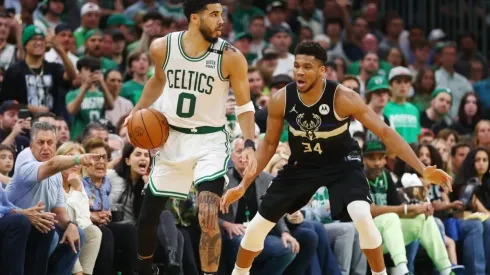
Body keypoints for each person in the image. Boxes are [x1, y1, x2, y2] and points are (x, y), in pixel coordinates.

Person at [220, 41, 452, 275]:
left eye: (308, 67)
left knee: (361, 215)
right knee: (258, 226)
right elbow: (269, 144)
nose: (300, 71)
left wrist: (423, 169)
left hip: (343, 164)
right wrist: (243, 184)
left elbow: (385, 132)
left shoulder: (343, 97)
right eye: (297, 66)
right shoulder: (282, 99)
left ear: (322, 71)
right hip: (303, 165)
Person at [123, 0, 258, 274]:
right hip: (172, 138)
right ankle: (144, 270)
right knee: (148, 215)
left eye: (222, 14)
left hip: (209, 141)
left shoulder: (230, 56)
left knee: (207, 214)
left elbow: (244, 106)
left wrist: (250, 143)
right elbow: (158, 80)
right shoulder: (162, 47)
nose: (221, 20)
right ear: (195, 18)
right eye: (214, 14)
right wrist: (137, 110)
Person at [6, 122, 101, 274]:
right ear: (31, 147)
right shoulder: (27, 166)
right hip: (15, 225)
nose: (45, 147)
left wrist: (70, 224)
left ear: (56, 146)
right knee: (44, 229)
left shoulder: (56, 175)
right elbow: (53, 164)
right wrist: (78, 159)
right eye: (40, 143)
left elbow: (58, 210)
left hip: (39, 225)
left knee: (78, 233)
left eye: (50, 143)